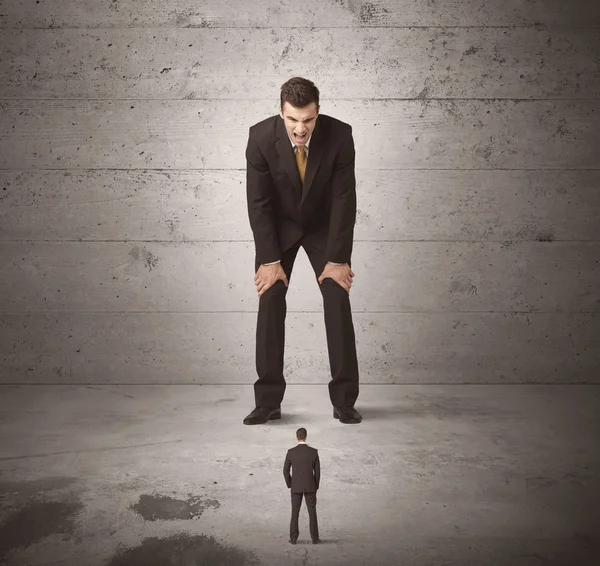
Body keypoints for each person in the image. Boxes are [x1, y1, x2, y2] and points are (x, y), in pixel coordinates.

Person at [243, 76, 362, 425]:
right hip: (278, 228)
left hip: (323, 226)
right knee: (271, 297)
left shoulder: (340, 136)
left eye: (308, 120)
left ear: (318, 113)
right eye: (293, 119)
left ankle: (344, 401)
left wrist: (338, 259)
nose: (300, 128)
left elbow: (344, 201)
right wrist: (269, 260)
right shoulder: (260, 138)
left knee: (337, 297)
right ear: (281, 112)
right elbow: (258, 203)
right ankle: (267, 402)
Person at [283, 428, 321, 544]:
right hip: (310, 486)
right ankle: (315, 538)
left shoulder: (291, 452)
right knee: (312, 512)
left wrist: (290, 484)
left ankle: (293, 538)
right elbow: (318, 472)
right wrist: (316, 485)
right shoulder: (313, 452)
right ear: (306, 437)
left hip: (296, 486)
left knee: (295, 512)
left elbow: (285, 471)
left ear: (297, 437)